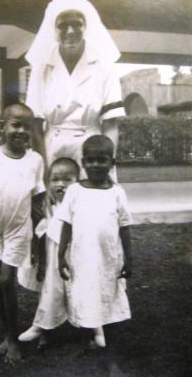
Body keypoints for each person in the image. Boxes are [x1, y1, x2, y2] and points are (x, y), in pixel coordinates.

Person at [0, 103, 45, 363]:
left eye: (27, 126)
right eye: (16, 124)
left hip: (18, 229)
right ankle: (7, 333)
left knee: (6, 280)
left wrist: (38, 238)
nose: (22, 131)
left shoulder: (35, 160)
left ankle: (14, 340)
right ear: (2, 127)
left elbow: (37, 199)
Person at [25, 0, 125, 175]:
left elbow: (110, 123)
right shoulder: (42, 66)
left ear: (85, 27)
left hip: (92, 152)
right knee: (55, 201)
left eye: (77, 24)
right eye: (63, 25)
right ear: (54, 30)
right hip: (52, 150)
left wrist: (107, 164)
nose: (70, 31)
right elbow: (35, 124)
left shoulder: (104, 65)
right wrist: (44, 170)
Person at [58, 135, 132, 370]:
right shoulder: (74, 191)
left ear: (112, 162)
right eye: (90, 161)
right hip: (82, 260)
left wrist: (129, 258)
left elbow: (124, 227)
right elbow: (66, 225)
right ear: (83, 162)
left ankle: (111, 358)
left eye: (102, 160)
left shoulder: (117, 193)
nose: (96, 165)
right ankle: (86, 342)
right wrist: (61, 256)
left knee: (109, 306)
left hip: (108, 260)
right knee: (83, 301)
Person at [18, 157, 105, 348]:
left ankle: (96, 328)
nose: (60, 185)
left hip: (78, 258)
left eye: (67, 180)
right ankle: (41, 325)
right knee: (51, 290)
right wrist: (37, 258)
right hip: (53, 259)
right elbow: (39, 234)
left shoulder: (84, 203)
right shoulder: (46, 206)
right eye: (55, 180)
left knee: (85, 290)